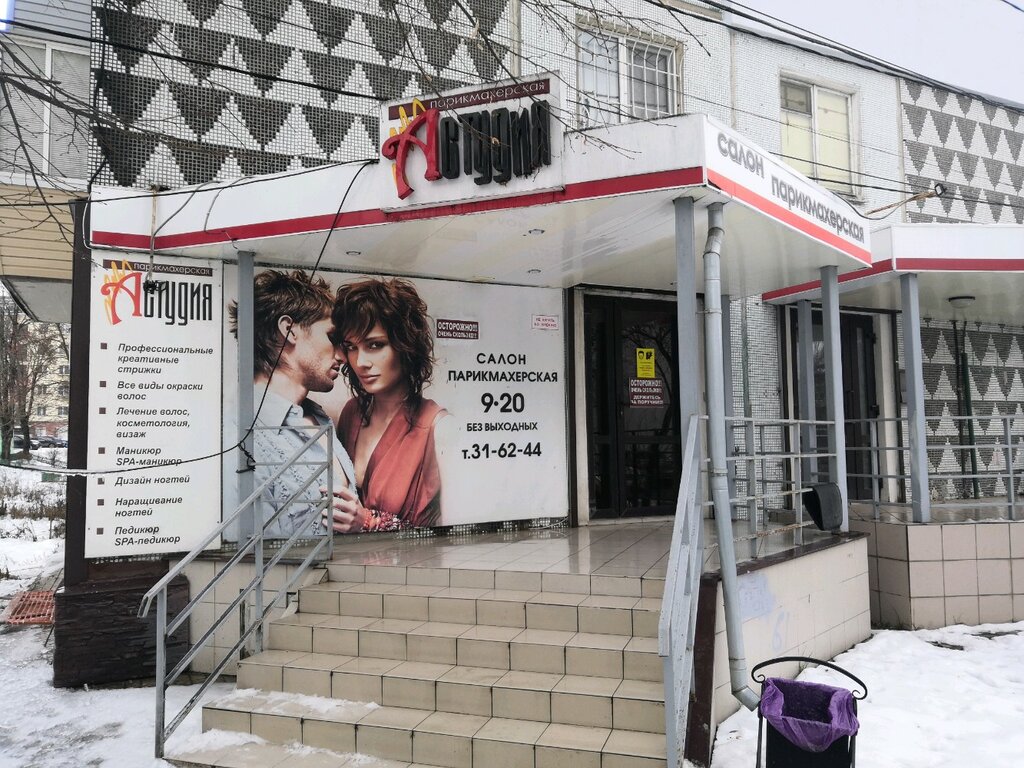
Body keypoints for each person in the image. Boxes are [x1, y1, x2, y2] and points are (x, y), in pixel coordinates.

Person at [229, 269, 367, 537]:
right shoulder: (240, 436)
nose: (342, 356)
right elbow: (250, 549)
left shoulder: (320, 419)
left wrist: (359, 521)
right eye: (332, 337)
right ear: (289, 330)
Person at [333, 278, 448, 530]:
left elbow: (450, 534)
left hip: (408, 556)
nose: (360, 362)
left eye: (375, 345)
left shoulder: (437, 426)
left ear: (406, 346)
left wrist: (369, 521)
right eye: (352, 347)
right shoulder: (351, 413)